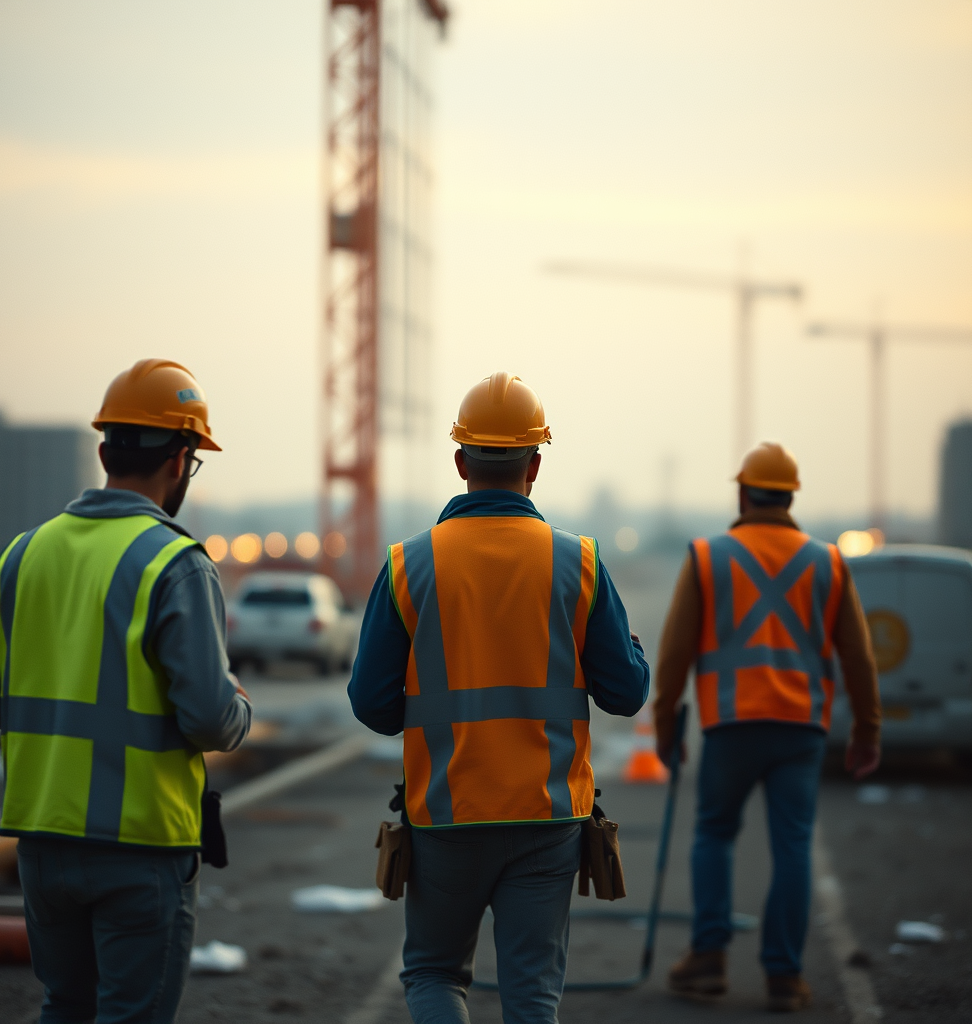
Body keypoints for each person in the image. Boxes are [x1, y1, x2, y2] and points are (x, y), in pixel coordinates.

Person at [348, 371, 651, 1024]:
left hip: (446, 815)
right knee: (533, 993)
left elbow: (371, 706)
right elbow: (625, 695)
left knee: (433, 972)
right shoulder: (580, 564)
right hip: (547, 820)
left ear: (460, 461)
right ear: (534, 464)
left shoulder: (410, 565)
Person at [0, 358, 251, 1024]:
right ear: (180, 460)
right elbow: (211, 718)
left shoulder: (23, 553)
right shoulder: (173, 562)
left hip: (40, 837)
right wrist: (238, 703)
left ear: (104, 450)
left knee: (64, 1006)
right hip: (141, 845)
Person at [653, 442, 881, 1012]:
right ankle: (784, 975)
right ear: (791, 497)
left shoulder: (708, 558)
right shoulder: (828, 562)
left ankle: (707, 960)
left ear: (742, 492)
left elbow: (675, 652)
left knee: (713, 835)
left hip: (731, 725)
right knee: (793, 847)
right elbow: (858, 656)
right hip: (801, 729)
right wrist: (868, 730)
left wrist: (665, 726)